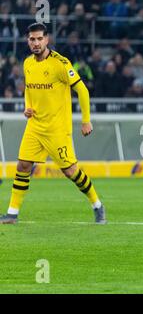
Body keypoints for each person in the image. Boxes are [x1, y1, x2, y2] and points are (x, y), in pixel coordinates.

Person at [0, 23, 106, 225]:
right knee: (23, 165)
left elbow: (82, 90)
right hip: (35, 125)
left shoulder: (61, 63)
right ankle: (12, 214)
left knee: (70, 171)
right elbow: (29, 89)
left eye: (40, 39)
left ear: (47, 40)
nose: (36, 43)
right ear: (28, 41)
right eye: (32, 39)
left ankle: (98, 205)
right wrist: (27, 107)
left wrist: (86, 121)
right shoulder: (27, 63)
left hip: (57, 128)